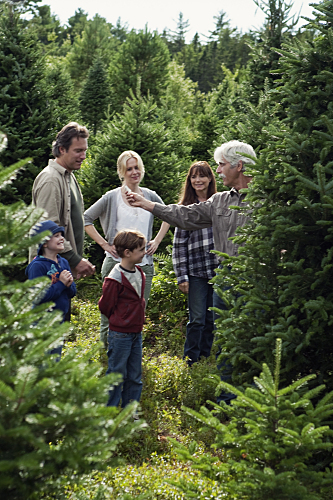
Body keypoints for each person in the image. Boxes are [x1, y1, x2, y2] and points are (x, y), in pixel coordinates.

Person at [126, 140, 256, 403]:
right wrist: (148, 205)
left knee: (252, 342)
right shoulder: (220, 201)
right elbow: (185, 216)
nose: (218, 171)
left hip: (255, 284)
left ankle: (254, 401)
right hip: (225, 280)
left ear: (239, 166)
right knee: (225, 340)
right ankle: (227, 400)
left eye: (221, 165)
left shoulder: (266, 200)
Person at [84, 150, 169, 348]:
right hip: (116, 265)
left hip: (144, 265)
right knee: (110, 313)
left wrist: (156, 241)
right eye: (129, 168)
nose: (134, 172)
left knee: (139, 311)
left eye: (136, 167)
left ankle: (132, 354)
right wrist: (105, 244)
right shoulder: (112, 197)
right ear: (122, 172)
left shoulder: (150, 196)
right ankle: (106, 353)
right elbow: (86, 219)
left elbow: (167, 215)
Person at [31, 122, 95, 280]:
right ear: (62, 150)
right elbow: (48, 230)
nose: (83, 156)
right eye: (78, 151)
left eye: (85, 150)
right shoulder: (51, 180)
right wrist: (76, 260)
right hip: (48, 274)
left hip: (62, 271)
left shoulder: (69, 176)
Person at [172, 161, 218, 366]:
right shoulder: (185, 208)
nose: (198, 180)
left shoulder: (220, 202)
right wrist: (182, 276)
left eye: (202, 176)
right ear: (189, 181)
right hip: (196, 273)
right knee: (197, 319)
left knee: (211, 320)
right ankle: (190, 361)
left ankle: (205, 358)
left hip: (218, 271)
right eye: (193, 177)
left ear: (210, 178)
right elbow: (179, 246)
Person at [99, 230, 146, 408]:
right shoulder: (115, 278)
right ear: (128, 253)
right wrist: (121, 319)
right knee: (116, 372)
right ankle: (109, 410)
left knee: (135, 374)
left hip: (136, 333)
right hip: (120, 335)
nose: (144, 253)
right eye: (141, 250)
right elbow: (105, 306)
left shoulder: (140, 272)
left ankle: (130, 409)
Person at [26, 220, 77, 358]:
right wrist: (61, 284)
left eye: (62, 235)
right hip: (42, 322)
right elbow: (37, 297)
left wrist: (69, 284)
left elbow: (72, 292)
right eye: (56, 235)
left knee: (55, 358)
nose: (62, 238)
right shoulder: (37, 266)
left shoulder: (63, 262)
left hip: (58, 320)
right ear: (45, 242)